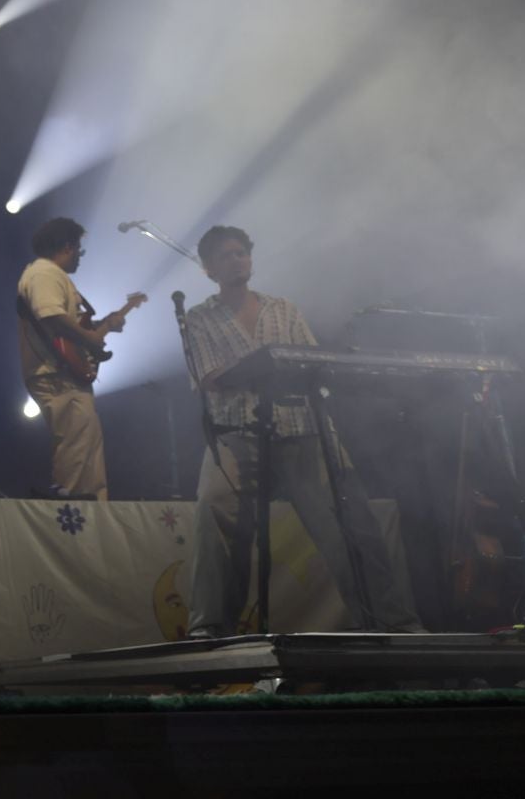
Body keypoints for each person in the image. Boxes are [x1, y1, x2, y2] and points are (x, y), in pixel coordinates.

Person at [180, 225, 421, 637]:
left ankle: (392, 624)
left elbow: (310, 364)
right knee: (212, 510)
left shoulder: (283, 309)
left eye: (242, 253)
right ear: (208, 269)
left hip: (304, 427)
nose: (237, 260)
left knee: (350, 520)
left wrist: (279, 367)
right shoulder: (197, 318)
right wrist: (269, 366)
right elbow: (210, 377)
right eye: (226, 256)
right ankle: (211, 629)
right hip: (235, 433)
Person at [15, 217, 120, 501]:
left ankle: (89, 511)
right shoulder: (44, 273)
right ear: (68, 246)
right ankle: (73, 515)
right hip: (54, 373)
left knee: (84, 444)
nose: (80, 258)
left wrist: (100, 325)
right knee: (77, 445)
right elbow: (51, 316)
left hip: (62, 373)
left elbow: (62, 323)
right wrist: (92, 339)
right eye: (79, 251)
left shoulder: (49, 275)